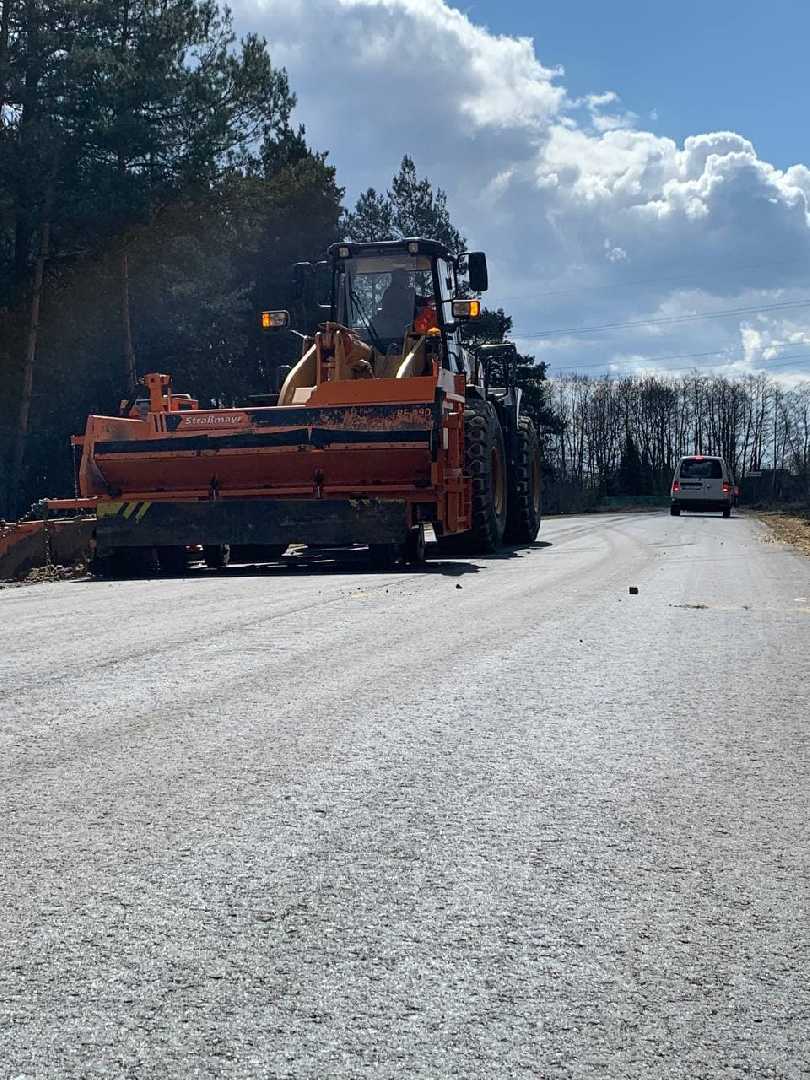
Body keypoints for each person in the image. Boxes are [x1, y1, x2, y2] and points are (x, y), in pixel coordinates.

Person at [370, 270, 416, 341]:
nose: (408, 280)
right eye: (405, 277)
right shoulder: (396, 292)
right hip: (397, 332)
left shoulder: (400, 292)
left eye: (408, 277)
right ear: (397, 278)